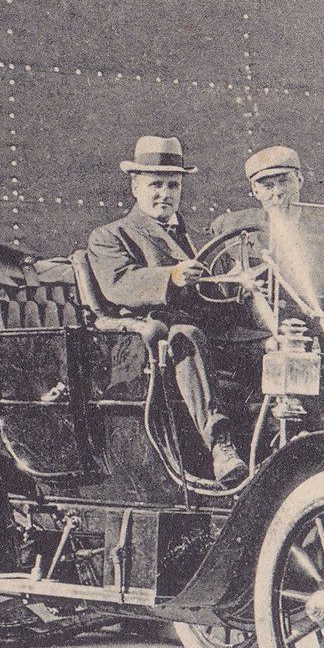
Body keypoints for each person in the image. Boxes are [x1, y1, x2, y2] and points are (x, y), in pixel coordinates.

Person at [87, 136, 247, 484]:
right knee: (185, 336)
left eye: (173, 185)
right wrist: (171, 276)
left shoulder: (192, 236)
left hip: (208, 335)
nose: (165, 193)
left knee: (277, 342)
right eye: (155, 184)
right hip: (145, 346)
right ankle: (220, 445)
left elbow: (212, 297)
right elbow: (119, 284)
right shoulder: (110, 235)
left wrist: (238, 285)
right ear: (135, 187)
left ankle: (291, 437)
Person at [209, 145, 305, 239]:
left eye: (284, 181)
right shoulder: (231, 227)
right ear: (255, 191)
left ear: (299, 180)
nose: (278, 191)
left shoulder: (315, 222)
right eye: (267, 186)